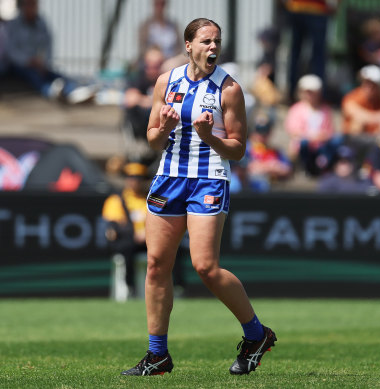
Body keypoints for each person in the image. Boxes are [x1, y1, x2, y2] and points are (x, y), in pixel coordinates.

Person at [121, 18, 276, 377]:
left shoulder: (229, 89)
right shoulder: (166, 81)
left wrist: (210, 137)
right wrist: (166, 128)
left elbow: (237, 150)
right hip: (168, 177)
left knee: (205, 266)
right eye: (206, 41)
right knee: (157, 264)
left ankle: (256, 334)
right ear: (188, 45)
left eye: (217, 42)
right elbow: (152, 140)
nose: (213, 48)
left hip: (208, 179)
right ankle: (157, 355)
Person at [6, 0, 97, 104]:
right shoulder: (13, 24)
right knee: (35, 78)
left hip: (39, 65)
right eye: (29, 4)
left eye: (34, 4)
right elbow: (11, 51)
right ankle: (51, 92)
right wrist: (29, 61)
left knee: (58, 76)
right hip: (20, 66)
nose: (32, 7)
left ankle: (73, 92)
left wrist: (43, 62)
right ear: (23, 6)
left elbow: (48, 45)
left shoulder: (41, 23)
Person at [103, 162, 151, 299]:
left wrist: (146, 234)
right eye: (131, 178)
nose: (135, 182)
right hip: (128, 241)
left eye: (139, 178)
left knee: (173, 248)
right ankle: (130, 287)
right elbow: (114, 227)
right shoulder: (116, 200)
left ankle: (177, 286)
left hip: (148, 240)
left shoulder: (151, 199)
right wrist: (134, 234)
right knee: (127, 247)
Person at [281, 0, 339, 103]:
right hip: (316, 9)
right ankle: (318, 95)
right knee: (318, 55)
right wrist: (335, 5)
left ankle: (292, 94)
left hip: (298, 7)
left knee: (296, 53)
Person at [341, 64, 380, 162]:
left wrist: (375, 119)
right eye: (366, 83)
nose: (368, 87)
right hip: (355, 140)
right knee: (357, 124)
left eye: (372, 84)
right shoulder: (352, 97)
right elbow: (355, 113)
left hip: (377, 139)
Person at [284, 74, 341, 176]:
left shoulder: (325, 110)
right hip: (304, 146)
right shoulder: (296, 109)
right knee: (304, 143)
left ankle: (323, 165)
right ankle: (308, 167)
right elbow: (293, 132)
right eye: (307, 92)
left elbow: (330, 131)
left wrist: (321, 136)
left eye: (312, 92)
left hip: (321, 145)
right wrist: (313, 136)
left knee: (337, 140)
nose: (310, 95)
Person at [246, 110, 293, 191]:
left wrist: (276, 168)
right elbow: (244, 168)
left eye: (266, 131)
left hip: (272, 188)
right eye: (259, 130)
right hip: (249, 187)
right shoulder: (246, 148)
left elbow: (287, 170)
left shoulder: (275, 151)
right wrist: (268, 166)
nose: (263, 135)